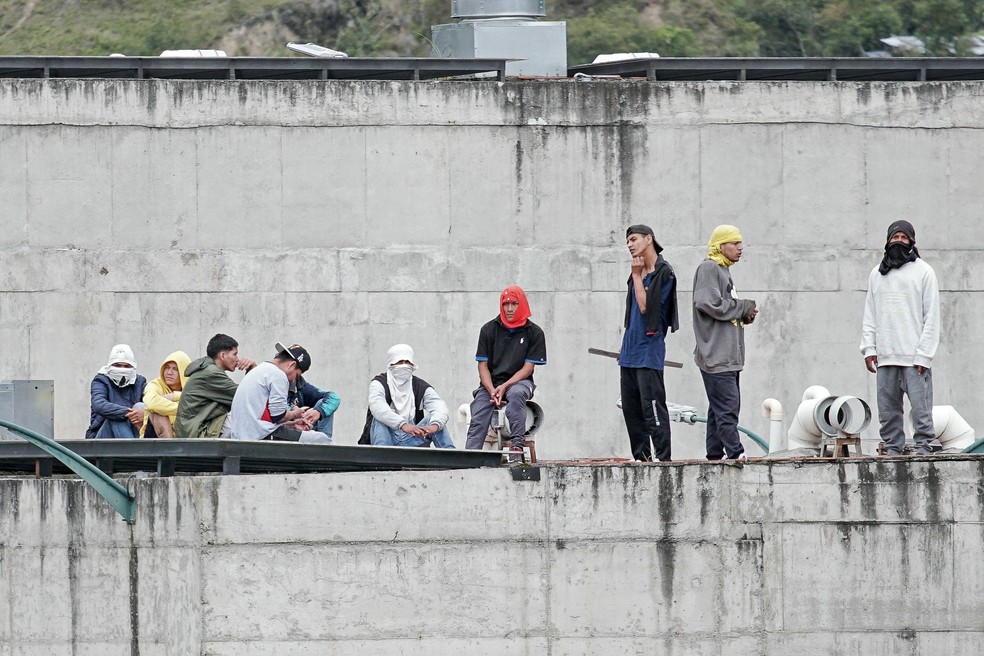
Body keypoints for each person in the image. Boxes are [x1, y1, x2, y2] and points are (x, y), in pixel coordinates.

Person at [860, 220, 940, 456]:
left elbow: (932, 316)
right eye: (895, 238)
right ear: (887, 241)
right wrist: (869, 348)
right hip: (885, 356)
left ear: (912, 242)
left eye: (904, 238)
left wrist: (924, 355)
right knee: (888, 411)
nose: (899, 242)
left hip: (915, 357)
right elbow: (870, 313)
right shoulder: (877, 273)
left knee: (921, 410)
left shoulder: (924, 272)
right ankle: (893, 449)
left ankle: (924, 448)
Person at [692, 225, 758, 461]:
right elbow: (708, 302)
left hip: (727, 356)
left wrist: (744, 314)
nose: (740, 248)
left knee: (718, 409)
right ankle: (735, 453)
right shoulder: (709, 267)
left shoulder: (723, 270)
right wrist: (743, 307)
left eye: (740, 243)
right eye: (734, 243)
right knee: (728, 407)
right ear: (720, 246)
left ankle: (714, 454)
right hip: (716, 356)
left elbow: (723, 308)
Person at [464, 286, 547, 458]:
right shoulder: (488, 329)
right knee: (478, 410)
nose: (509, 309)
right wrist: (491, 389)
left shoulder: (534, 332)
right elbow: (482, 366)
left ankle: (516, 449)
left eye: (514, 304)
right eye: (505, 304)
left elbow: (528, 368)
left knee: (516, 395)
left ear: (522, 304)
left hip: (520, 382)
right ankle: (469, 457)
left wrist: (506, 386)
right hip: (490, 384)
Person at [619, 224, 679, 462]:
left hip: (649, 351)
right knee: (631, 411)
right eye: (627, 242)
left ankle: (663, 461)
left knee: (652, 408)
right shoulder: (637, 271)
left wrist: (636, 276)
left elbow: (647, 308)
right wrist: (635, 275)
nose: (630, 245)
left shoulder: (663, 271)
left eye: (633, 239)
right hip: (630, 350)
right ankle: (641, 459)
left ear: (648, 239)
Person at [228, 343, 332, 443]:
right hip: (259, 437)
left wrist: (292, 425)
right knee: (322, 440)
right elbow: (278, 416)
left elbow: (264, 418)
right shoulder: (278, 375)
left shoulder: (260, 369)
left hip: (244, 435)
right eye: (296, 375)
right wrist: (296, 413)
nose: (293, 380)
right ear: (292, 364)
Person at [359, 344, 454, 448]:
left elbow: (439, 406)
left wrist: (434, 426)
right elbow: (378, 408)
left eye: (407, 362)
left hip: (412, 436)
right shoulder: (379, 383)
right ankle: (383, 459)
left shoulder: (420, 386)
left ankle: (451, 458)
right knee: (379, 418)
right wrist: (403, 425)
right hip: (387, 439)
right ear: (391, 363)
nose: (404, 365)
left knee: (437, 419)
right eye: (399, 362)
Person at [173, 334, 256, 438]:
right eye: (235, 354)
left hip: (193, 430)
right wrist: (252, 369)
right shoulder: (211, 373)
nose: (238, 360)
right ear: (222, 356)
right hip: (196, 432)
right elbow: (243, 396)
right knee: (241, 417)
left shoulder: (209, 371)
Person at [86, 344, 148, 439]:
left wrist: (144, 413)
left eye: (127, 366)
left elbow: (151, 404)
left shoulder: (139, 382)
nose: (122, 369)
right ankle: (133, 450)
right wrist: (127, 413)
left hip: (134, 431)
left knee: (141, 406)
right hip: (102, 436)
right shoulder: (101, 380)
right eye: (117, 365)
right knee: (115, 416)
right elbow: (98, 404)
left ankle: (135, 448)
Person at [142, 351, 191, 438]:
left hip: (182, 436)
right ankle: (170, 450)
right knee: (157, 412)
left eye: (175, 369)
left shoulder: (192, 388)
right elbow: (151, 403)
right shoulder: (155, 384)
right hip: (153, 438)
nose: (169, 372)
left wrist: (174, 396)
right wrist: (183, 408)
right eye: (167, 368)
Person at [287, 365, 341, 440]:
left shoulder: (299, 385)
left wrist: (318, 411)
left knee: (322, 402)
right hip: (282, 431)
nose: (293, 379)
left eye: (297, 374)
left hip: (303, 428)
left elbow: (334, 398)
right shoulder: (273, 385)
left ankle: (324, 444)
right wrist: (293, 413)